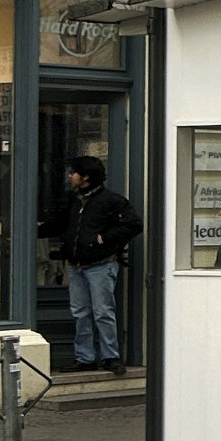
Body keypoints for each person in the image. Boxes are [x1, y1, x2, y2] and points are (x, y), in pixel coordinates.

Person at [43, 155, 141, 374]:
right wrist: (34, 227)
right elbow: (60, 224)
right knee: (81, 313)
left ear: (85, 177)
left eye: (73, 172)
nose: (70, 176)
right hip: (77, 265)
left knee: (102, 312)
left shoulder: (111, 201)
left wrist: (103, 238)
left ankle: (110, 356)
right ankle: (85, 357)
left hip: (100, 264)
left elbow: (134, 224)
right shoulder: (75, 200)